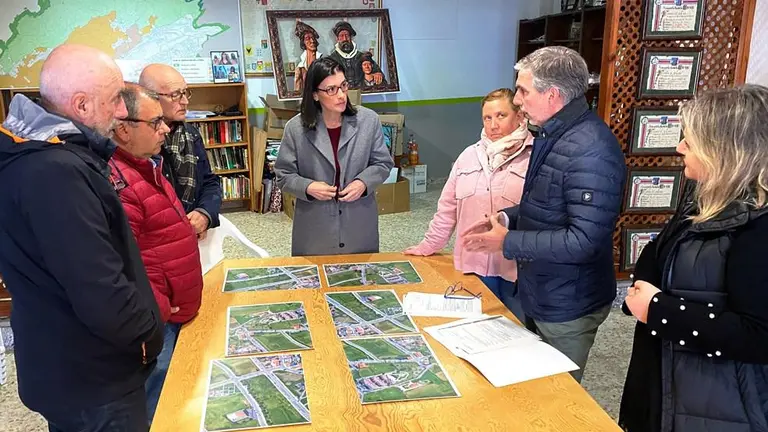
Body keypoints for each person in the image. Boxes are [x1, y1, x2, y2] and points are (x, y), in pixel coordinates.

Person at [0, 44, 164, 430]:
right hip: (95, 379)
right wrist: (147, 339)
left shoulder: (33, 157)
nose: (121, 111)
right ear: (82, 105)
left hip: (66, 365)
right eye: (113, 100)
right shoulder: (56, 173)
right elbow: (98, 285)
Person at [462, 46, 626, 383]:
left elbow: (584, 241)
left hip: (569, 304)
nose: (518, 100)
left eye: (523, 91)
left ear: (552, 95)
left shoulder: (591, 149)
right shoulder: (554, 133)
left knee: (557, 397)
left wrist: (508, 242)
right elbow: (545, 203)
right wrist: (507, 218)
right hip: (545, 291)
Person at [619, 85, 768, 432]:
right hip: (668, 379)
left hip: (717, 405)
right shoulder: (702, 199)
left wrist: (660, 311)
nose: (680, 147)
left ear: (726, 150)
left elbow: (759, 336)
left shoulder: (758, 227)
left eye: (691, 139)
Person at [109, 84, 204, 424]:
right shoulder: (119, 181)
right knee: (158, 408)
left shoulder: (146, 165)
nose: (165, 129)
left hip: (173, 312)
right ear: (123, 129)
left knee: (178, 394)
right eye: (155, 123)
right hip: (160, 321)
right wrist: (159, 307)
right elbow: (118, 266)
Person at [404, 88, 531, 320]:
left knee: (516, 333)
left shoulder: (535, 157)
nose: (493, 125)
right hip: (474, 265)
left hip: (516, 269)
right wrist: (428, 246)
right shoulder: (467, 157)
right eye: (487, 118)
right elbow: (446, 210)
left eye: (501, 116)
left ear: (519, 116)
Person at [274, 57, 394, 256]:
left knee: (361, 278)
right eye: (331, 89)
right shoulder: (295, 129)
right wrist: (308, 187)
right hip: (315, 225)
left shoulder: (368, 121)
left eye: (343, 86)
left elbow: (383, 163)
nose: (341, 95)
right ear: (314, 95)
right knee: (315, 283)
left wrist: (363, 183)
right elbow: (283, 175)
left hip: (358, 219)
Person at [139, 63, 222, 239]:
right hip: (157, 241)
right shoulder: (137, 142)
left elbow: (210, 182)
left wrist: (205, 214)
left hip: (190, 237)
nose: (185, 101)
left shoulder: (191, 135)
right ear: (150, 97)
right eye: (175, 95)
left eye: (185, 92)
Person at [327, 21, 383, 88]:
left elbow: (375, 69)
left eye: (347, 35)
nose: (345, 39)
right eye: (341, 36)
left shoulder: (361, 56)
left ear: (351, 37)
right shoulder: (331, 59)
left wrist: (378, 73)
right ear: (337, 39)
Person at [294, 21, 323, 91]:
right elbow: (297, 91)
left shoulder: (323, 64)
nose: (312, 41)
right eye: (308, 38)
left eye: (313, 38)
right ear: (303, 42)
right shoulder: (300, 68)